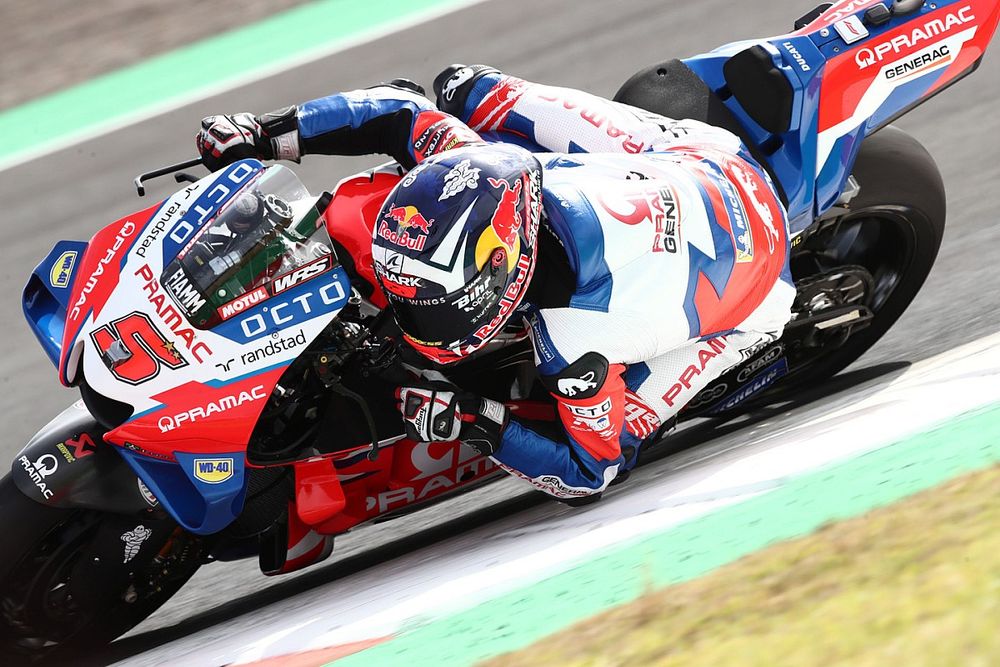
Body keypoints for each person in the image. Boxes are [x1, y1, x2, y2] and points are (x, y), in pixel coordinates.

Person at [196, 65, 795, 502]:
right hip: (693, 158)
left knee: (618, 440)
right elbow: (399, 113)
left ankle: (754, 339)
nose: (413, 314)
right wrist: (273, 132)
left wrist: (476, 419)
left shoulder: (574, 345)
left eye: (429, 304)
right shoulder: (473, 168)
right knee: (462, 86)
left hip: (754, 281)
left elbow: (587, 475)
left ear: (497, 285)